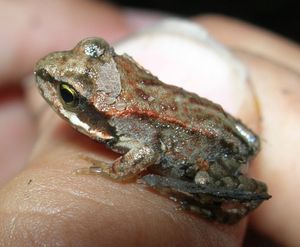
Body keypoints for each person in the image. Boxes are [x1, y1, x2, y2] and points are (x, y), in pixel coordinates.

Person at [0, 0, 299, 246]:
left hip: (213, 155)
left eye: (67, 95)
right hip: (226, 126)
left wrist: (115, 172)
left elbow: (146, 152)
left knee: (201, 184)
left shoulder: (118, 120)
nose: (58, 93)